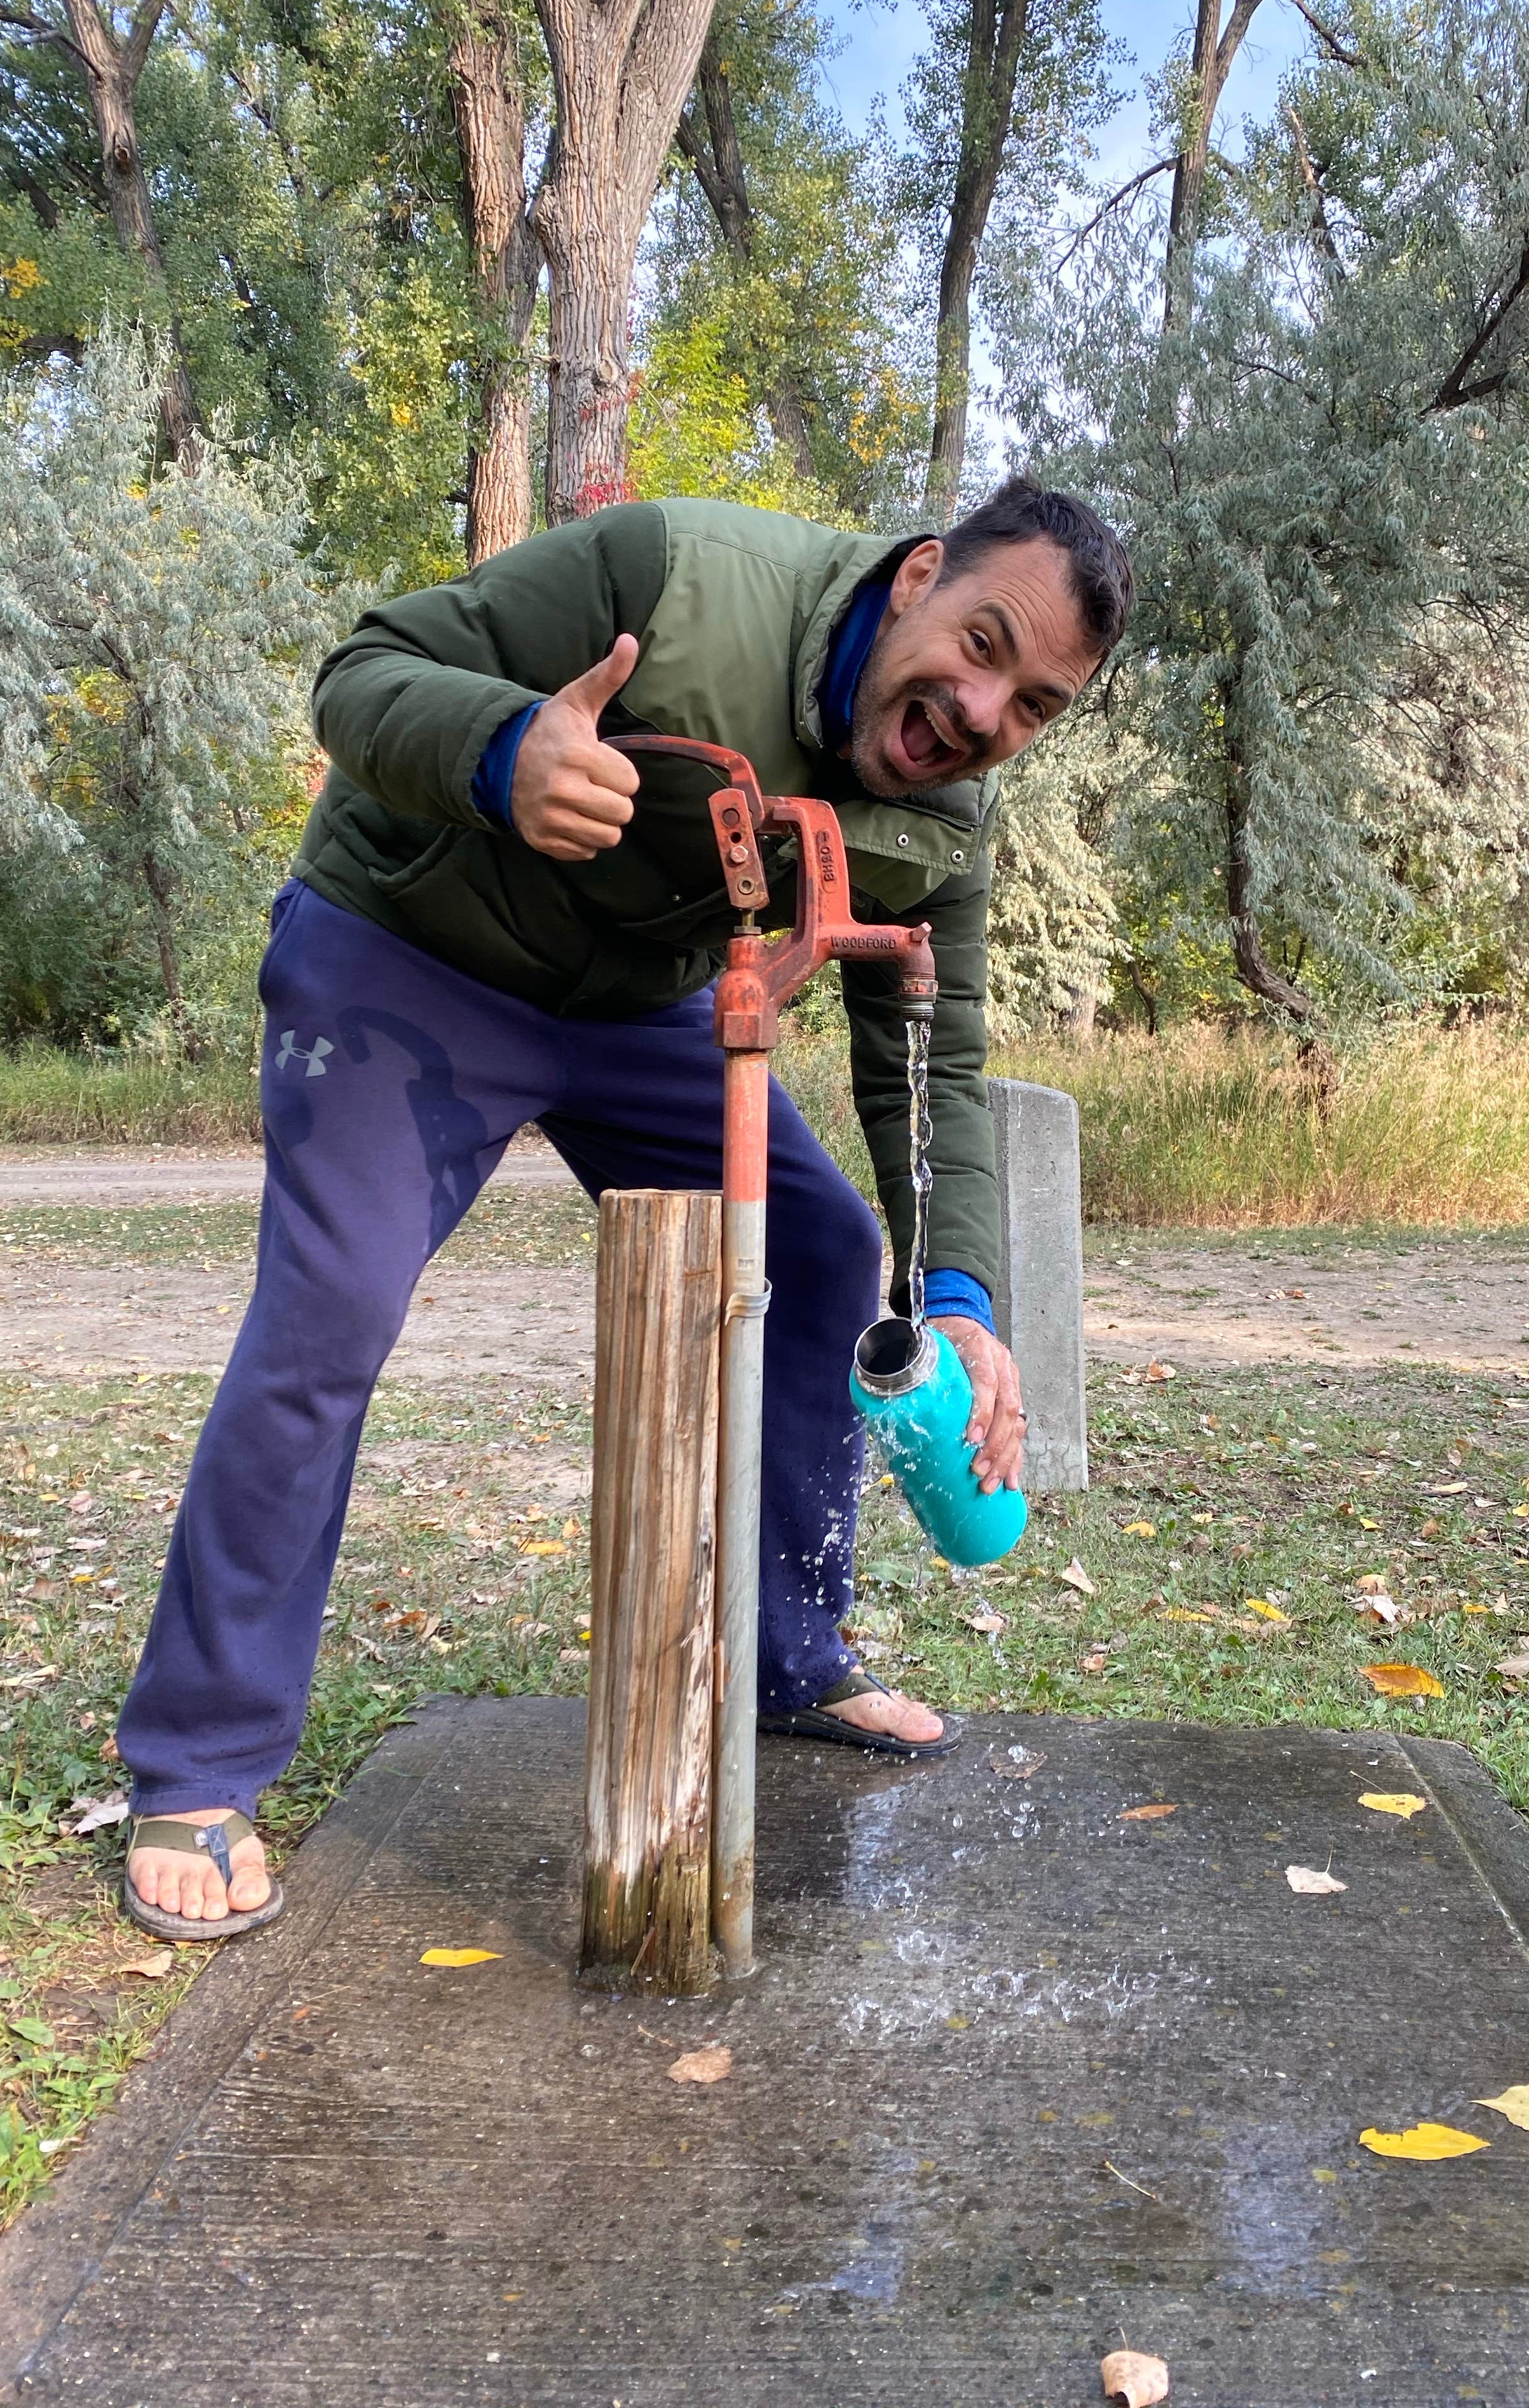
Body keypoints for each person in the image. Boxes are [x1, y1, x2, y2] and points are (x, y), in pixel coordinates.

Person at [115, 476, 1133, 1939]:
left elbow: (937, 1067)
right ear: (918, 578)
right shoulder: (676, 573)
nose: (981, 712)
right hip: (409, 955)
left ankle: (787, 1655)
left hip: (638, 1011)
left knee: (834, 1249)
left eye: (1031, 705)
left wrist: (960, 1299)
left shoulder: (945, 824)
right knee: (331, 1308)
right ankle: (200, 1758)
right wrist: (502, 747)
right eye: (982, 644)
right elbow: (363, 673)